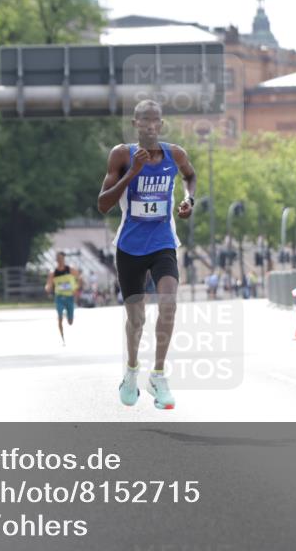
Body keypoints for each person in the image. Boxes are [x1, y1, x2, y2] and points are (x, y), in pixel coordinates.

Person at [97, 99, 196, 410]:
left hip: (163, 241)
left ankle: (158, 374)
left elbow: (190, 177)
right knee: (136, 319)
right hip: (129, 246)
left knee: (169, 304)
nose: (151, 125)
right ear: (135, 125)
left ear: (161, 125)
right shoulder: (121, 155)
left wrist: (188, 200)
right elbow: (103, 204)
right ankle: (131, 370)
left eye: (156, 120)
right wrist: (133, 172)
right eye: (144, 121)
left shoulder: (175, 153)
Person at [44, 251, 82, 345]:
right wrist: (47, 288)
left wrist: (76, 288)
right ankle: (62, 339)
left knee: (70, 322)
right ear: (56, 260)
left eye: (61, 258)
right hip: (59, 297)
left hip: (69, 297)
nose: (60, 260)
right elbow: (48, 284)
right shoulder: (53, 272)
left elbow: (79, 278)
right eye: (58, 259)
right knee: (59, 318)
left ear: (64, 259)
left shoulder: (70, 270)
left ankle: (67, 315)